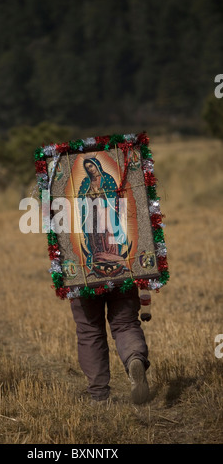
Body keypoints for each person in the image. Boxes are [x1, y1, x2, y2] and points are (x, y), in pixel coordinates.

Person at [70, 157, 150, 405]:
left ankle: (98, 394)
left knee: (89, 329)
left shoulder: (108, 180)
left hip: (107, 231)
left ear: (99, 166)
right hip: (93, 233)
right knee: (125, 323)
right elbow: (78, 206)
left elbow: (118, 203)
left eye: (93, 166)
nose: (91, 169)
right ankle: (134, 358)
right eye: (88, 168)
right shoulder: (84, 185)